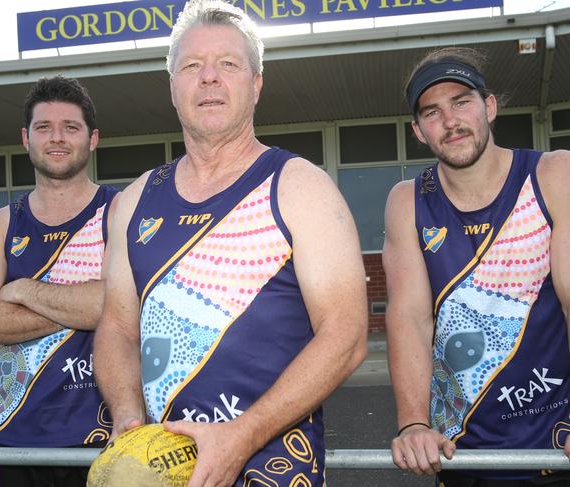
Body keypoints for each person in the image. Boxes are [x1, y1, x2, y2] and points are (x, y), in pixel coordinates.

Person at [93, 0, 369, 485]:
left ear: (256, 84)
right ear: (173, 87)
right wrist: (127, 415)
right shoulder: (133, 202)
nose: (209, 78)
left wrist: (241, 436)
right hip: (168, 469)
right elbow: (116, 326)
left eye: (228, 64)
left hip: (275, 469)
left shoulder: (300, 187)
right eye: (191, 66)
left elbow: (345, 336)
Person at [384, 46, 570, 486]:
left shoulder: (553, 175)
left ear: (489, 107)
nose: (450, 122)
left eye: (462, 102)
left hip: (555, 441)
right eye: (432, 112)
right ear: (418, 131)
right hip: (461, 451)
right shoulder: (407, 200)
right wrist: (413, 424)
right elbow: (410, 318)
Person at [0, 76, 118, 487]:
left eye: (71, 127)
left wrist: (24, 291)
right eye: (44, 127)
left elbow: (121, 302)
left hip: (106, 435)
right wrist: (83, 305)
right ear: (26, 138)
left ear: (93, 138)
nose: (57, 138)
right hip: (14, 436)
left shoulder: (122, 211)